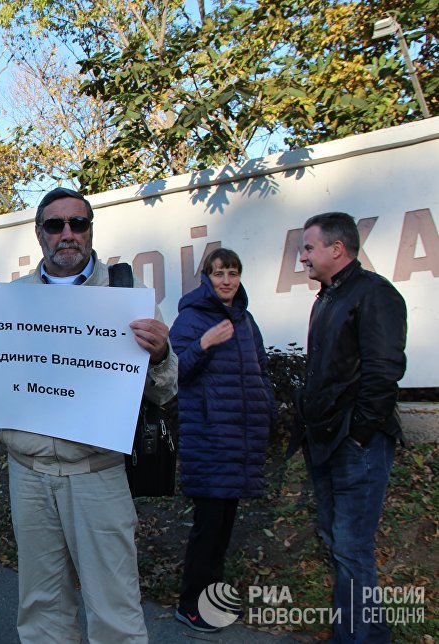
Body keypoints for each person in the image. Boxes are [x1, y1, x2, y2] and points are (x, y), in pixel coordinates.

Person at [0, 187, 177, 643]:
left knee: (115, 612)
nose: (67, 233)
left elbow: (164, 390)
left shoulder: (126, 295)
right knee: (41, 608)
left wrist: (159, 355)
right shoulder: (8, 301)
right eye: (55, 224)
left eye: (77, 224)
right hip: (28, 473)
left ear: (90, 231)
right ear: (39, 233)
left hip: (97, 473)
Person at [289, 212, 407, 643]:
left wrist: (358, 433)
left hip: (357, 445)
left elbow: (384, 373)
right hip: (326, 443)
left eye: (307, 247)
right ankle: (364, 634)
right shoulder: (327, 297)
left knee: (351, 547)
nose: (302, 256)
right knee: (341, 545)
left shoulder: (375, 295)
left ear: (336, 249)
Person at [169, 248, 275, 633]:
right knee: (208, 528)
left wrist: (268, 409)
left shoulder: (246, 320)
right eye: (219, 274)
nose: (226, 280)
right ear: (205, 278)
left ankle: (210, 603)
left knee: (224, 529)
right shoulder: (191, 319)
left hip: (241, 441)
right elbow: (173, 373)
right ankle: (190, 605)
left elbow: (260, 369)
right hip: (209, 439)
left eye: (233, 273)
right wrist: (204, 344)